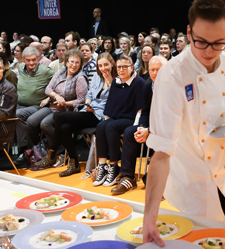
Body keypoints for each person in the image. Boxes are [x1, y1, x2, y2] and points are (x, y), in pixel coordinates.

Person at [142, 0, 225, 245]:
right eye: (201, 42)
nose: (209, 51)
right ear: (189, 32)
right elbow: (160, 153)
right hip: (192, 186)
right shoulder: (172, 76)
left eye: (218, 43)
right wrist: (150, 217)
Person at [111, 55, 167, 195]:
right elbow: (145, 111)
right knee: (130, 132)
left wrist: (150, 130)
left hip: (169, 129)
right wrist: (142, 127)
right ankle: (128, 177)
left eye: (158, 70)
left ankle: (158, 178)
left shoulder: (175, 87)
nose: (154, 73)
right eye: (152, 70)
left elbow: (172, 117)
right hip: (152, 126)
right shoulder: (148, 86)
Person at [55, 53, 114, 177]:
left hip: (101, 115)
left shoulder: (117, 79)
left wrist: (110, 82)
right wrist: (87, 103)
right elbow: (89, 95)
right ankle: (74, 162)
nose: (103, 68)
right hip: (89, 111)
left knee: (58, 117)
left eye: (106, 65)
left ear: (112, 64)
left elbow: (116, 99)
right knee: (64, 127)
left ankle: (51, 151)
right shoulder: (97, 77)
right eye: (100, 65)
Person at [91, 56, 146, 187]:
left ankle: (114, 166)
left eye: (124, 67)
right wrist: (107, 120)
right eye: (119, 67)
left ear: (132, 67)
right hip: (117, 118)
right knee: (101, 126)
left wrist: (135, 126)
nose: (121, 70)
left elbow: (140, 109)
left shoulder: (139, 83)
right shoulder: (116, 81)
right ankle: (102, 165)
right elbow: (111, 104)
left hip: (131, 120)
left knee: (110, 127)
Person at [29, 50, 89, 170]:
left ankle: (59, 153)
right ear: (66, 62)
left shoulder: (80, 77)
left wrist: (64, 102)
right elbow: (48, 89)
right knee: (31, 121)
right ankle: (41, 151)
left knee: (45, 124)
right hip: (52, 105)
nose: (74, 65)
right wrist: (56, 96)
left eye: (77, 62)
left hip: (66, 110)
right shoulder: (61, 72)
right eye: (72, 62)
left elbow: (82, 100)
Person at [13, 47, 55, 166]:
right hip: (20, 104)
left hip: (37, 106)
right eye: (28, 60)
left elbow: (58, 83)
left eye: (34, 60)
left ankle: (26, 149)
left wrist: (48, 97)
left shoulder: (46, 71)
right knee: (4, 113)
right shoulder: (20, 67)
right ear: (23, 60)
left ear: (38, 58)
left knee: (18, 115)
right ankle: (2, 151)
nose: (31, 63)